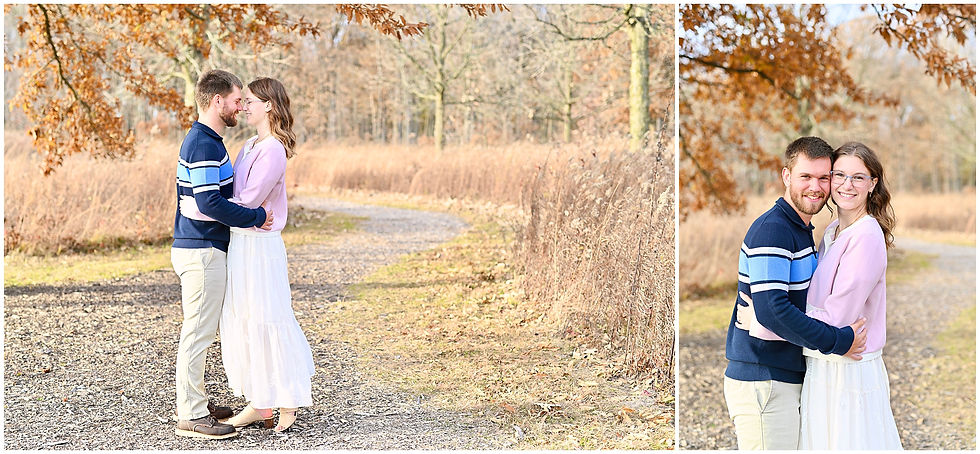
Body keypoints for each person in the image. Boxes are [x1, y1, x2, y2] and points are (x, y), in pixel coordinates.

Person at [181, 77, 314, 433]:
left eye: (250, 101)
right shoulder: (250, 144)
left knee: (268, 316)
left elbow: (248, 201)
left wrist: (202, 209)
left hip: (260, 247)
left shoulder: (273, 149)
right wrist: (211, 206)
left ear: (269, 105)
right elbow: (229, 199)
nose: (243, 107)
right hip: (240, 242)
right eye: (241, 101)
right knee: (244, 321)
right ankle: (260, 402)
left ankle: (287, 401)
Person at [723, 136, 868, 450]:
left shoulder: (801, 231)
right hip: (764, 380)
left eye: (823, 177)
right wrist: (839, 341)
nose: (815, 187)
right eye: (806, 176)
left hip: (783, 377)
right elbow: (773, 310)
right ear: (786, 176)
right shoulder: (773, 230)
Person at [172, 69, 274, 440]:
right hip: (201, 250)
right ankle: (192, 415)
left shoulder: (210, 141)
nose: (240, 107)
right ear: (217, 101)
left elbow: (203, 202)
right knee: (197, 333)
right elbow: (208, 202)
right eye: (235, 100)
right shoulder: (203, 143)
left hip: (204, 247)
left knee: (200, 330)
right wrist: (257, 217)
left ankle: (195, 402)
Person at [798, 142, 902, 449]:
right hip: (825, 360)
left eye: (858, 177)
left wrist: (777, 318)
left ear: (872, 184)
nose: (847, 185)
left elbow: (838, 318)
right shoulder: (833, 231)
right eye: (839, 175)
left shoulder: (866, 235)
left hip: (849, 370)